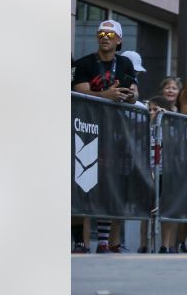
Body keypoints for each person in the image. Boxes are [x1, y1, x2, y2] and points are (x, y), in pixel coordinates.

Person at [71, 20, 140, 254]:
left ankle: (102, 241)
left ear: (119, 39)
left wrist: (129, 96)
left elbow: (133, 93)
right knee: (82, 186)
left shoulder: (126, 63)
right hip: (86, 131)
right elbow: (79, 90)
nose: (105, 37)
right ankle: (80, 242)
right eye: (101, 33)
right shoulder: (84, 63)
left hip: (114, 133)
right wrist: (106, 94)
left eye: (110, 34)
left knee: (107, 186)